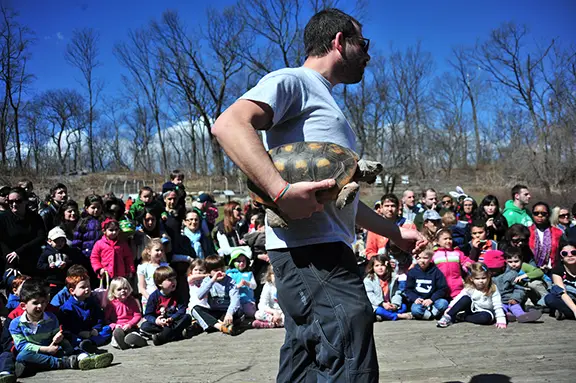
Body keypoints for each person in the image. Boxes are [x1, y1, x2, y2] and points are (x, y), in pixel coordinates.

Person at [211, 8, 425, 382]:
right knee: (349, 344)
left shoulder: (325, 102)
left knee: (306, 361)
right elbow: (229, 124)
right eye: (364, 43)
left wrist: (394, 232)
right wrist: (280, 192)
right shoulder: (294, 81)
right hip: (310, 252)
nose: (369, 54)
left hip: (322, 249)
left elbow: (340, 201)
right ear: (339, 42)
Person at [9, 279, 113, 375]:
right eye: (35, 303)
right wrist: (46, 349)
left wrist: (58, 339)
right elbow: (22, 346)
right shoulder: (16, 324)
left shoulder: (51, 318)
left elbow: (56, 336)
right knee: (22, 356)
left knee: (70, 343)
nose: (40, 306)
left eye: (43, 302)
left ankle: (87, 357)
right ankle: (64, 363)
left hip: (54, 350)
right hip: (36, 353)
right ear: (23, 306)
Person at [437, 263, 507, 328]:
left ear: (488, 277)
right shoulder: (470, 288)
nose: (481, 281)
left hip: (486, 311)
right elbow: (458, 298)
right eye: (477, 278)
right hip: (472, 308)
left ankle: (462, 317)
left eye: (483, 278)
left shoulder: (492, 288)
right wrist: (450, 307)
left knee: (485, 318)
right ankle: (448, 316)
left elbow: (497, 304)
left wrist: (501, 319)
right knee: (465, 298)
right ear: (471, 279)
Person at [58, 272, 112, 353]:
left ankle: (91, 343)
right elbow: (68, 325)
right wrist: (80, 332)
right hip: (79, 333)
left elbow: (99, 317)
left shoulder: (92, 302)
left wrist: (96, 328)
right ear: (72, 291)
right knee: (71, 337)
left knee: (107, 329)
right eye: (82, 287)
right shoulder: (67, 307)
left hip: (92, 331)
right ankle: (86, 345)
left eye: (88, 286)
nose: (87, 289)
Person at [484, 249, 542, 323]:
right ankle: (506, 315)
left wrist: (515, 298)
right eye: (490, 269)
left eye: (495, 269)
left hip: (510, 299)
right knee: (500, 309)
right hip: (497, 302)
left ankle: (522, 316)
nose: (492, 271)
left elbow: (519, 288)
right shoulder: (487, 277)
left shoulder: (511, 274)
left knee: (515, 307)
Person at [141, 266, 194, 346]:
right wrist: (156, 321)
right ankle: (175, 335)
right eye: (170, 280)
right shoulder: (154, 296)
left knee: (187, 317)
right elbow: (148, 314)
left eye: (174, 279)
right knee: (145, 326)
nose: (174, 282)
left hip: (172, 322)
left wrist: (172, 318)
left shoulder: (178, 294)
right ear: (160, 283)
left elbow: (182, 310)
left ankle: (161, 336)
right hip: (160, 324)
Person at [0, 187, 46, 277]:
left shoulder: (35, 218)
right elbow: (2, 243)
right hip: (12, 264)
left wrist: (19, 251)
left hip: (33, 260)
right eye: (10, 201)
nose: (14, 204)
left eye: (18, 201)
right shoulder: (3, 219)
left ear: (26, 201)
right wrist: (11, 264)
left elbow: (41, 237)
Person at [191, 255, 242, 335]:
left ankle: (208, 325)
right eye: (216, 270)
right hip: (214, 311)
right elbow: (200, 296)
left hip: (228, 311)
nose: (221, 272)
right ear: (209, 272)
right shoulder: (207, 281)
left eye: (222, 269)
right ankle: (221, 327)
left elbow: (235, 299)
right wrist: (212, 281)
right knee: (195, 309)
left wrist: (229, 313)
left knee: (239, 313)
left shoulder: (230, 281)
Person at [37, 227, 90, 299]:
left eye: (62, 241)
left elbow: (74, 262)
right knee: (53, 298)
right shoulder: (46, 252)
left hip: (65, 280)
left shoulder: (68, 251)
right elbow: (39, 265)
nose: (60, 243)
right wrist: (48, 266)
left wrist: (67, 263)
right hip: (52, 281)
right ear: (49, 241)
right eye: (57, 241)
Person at [365, 194, 417, 259]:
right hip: (383, 265)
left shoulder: (408, 225)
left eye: (393, 206)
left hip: (406, 265)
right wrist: (382, 261)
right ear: (381, 208)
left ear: (398, 208)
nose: (390, 209)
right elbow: (370, 252)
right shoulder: (374, 227)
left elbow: (416, 250)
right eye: (386, 206)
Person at [363, 254, 411, 321]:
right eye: (377, 266)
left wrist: (395, 304)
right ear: (372, 267)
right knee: (378, 310)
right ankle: (398, 316)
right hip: (377, 305)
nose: (380, 268)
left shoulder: (393, 278)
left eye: (382, 265)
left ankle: (385, 316)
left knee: (403, 307)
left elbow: (397, 293)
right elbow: (370, 296)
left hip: (390, 303)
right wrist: (382, 304)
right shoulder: (368, 280)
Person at [104, 277, 148, 350]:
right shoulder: (111, 304)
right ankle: (121, 343)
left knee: (133, 335)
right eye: (119, 289)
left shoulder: (132, 301)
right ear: (113, 292)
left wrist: (130, 324)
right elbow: (106, 319)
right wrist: (114, 326)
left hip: (131, 327)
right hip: (118, 328)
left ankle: (139, 341)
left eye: (125, 288)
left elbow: (137, 315)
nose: (123, 291)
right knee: (115, 338)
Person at [405, 247, 449, 320]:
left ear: (431, 258)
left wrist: (431, 299)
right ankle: (431, 315)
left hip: (433, 300)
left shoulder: (436, 272)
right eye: (419, 258)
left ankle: (430, 313)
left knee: (443, 303)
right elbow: (408, 289)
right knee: (415, 310)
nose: (422, 261)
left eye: (425, 258)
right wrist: (415, 298)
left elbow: (442, 288)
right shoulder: (412, 272)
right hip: (420, 301)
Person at [432, 228, 473, 299]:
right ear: (437, 241)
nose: (448, 241)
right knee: (442, 305)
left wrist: (469, 265)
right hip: (440, 288)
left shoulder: (457, 253)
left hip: (457, 286)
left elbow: (465, 261)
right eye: (445, 239)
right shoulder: (434, 255)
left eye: (450, 238)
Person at [544, 240, 576, 320]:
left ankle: (563, 313)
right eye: (565, 253)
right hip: (569, 299)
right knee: (550, 298)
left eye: (573, 252)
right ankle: (569, 312)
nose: (570, 255)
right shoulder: (557, 270)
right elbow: (562, 293)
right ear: (561, 257)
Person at [529, 202, 563, 274]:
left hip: (552, 270)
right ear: (532, 215)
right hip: (532, 269)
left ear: (548, 215)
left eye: (543, 213)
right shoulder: (527, 232)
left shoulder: (558, 233)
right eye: (536, 213)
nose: (540, 215)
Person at [137, 238, 168, 310]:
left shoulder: (166, 266)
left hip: (163, 300)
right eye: (157, 250)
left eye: (161, 250)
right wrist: (151, 299)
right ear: (149, 251)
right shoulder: (143, 267)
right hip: (148, 299)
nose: (160, 252)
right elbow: (141, 287)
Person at [226, 248, 257, 318]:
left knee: (251, 313)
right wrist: (237, 286)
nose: (242, 263)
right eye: (238, 261)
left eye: (243, 261)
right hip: (234, 301)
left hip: (247, 300)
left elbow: (254, 286)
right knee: (236, 312)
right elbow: (227, 287)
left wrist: (248, 283)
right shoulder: (230, 274)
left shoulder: (249, 274)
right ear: (233, 262)